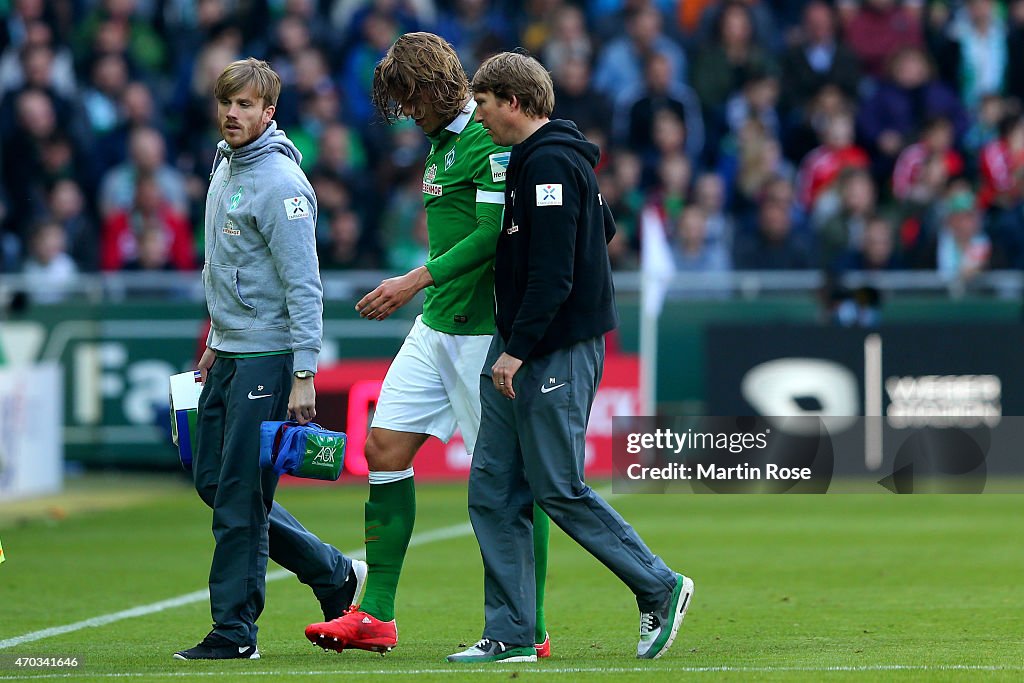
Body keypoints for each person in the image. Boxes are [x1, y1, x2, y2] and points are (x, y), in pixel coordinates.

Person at [303, 32, 553, 657]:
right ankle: (376, 615)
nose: (408, 111)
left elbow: (495, 233)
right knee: (383, 447)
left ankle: (531, 624)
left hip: (481, 333)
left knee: (510, 484)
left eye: (413, 97)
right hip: (436, 326)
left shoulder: (489, 139)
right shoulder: (440, 143)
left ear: (440, 87)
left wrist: (414, 277)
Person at [447, 51, 693, 664]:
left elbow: (555, 273)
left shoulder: (549, 163)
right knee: (493, 486)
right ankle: (512, 634)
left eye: (482, 103)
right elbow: (602, 228)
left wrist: (519, 349)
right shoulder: (544, 161)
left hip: (549, 347)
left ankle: (659, 586)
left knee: (557, 486)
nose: (477, 116)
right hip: (524, 341)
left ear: (514, 102)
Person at [174, 58, 366, 661]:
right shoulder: (224, 164)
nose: (233, 114)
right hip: (231, 352)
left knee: (236, 494)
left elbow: (303, 285)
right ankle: (333, 573)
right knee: (214, 481)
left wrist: (304, 371)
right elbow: (228, 271)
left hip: (270, 357)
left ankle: (234, 632)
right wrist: (213, 342)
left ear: (269, 113)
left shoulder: (282, 184)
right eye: (227, 103)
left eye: (246, 105)